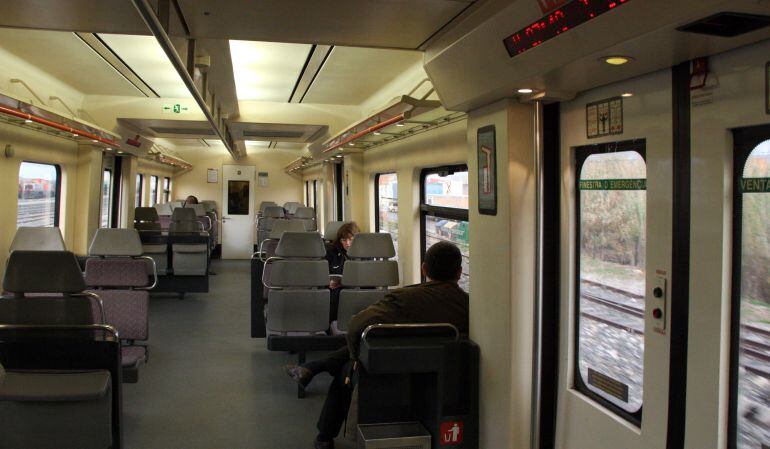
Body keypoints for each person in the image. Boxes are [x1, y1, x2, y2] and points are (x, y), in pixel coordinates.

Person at [285, 241, 469, 449]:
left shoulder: (404, 298)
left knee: (346, 370)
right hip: (441, 374)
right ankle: (315, 367)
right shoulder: (467, 305)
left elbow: (357, 326)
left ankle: (324, 436)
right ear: (459, 273)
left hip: (391, 367)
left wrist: (355, 358)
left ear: (424, 269)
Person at [324, 222, 359, 322]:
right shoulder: (331, 254)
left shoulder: (365, 255)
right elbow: (323, 274)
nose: (347, 243)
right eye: (344, 240)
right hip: (335, 291)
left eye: (351, 239)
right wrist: (328, 282)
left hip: (358, 289)